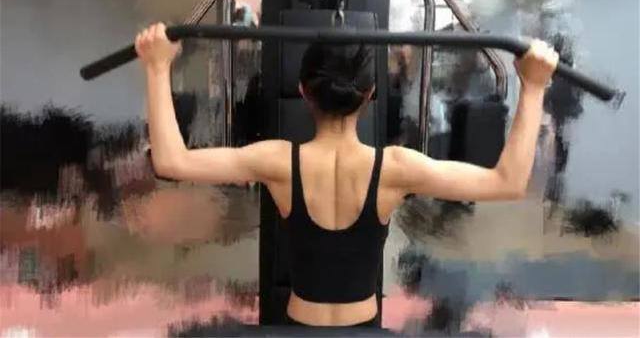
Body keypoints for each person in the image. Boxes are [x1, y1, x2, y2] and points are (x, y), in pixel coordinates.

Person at [134, 22, 559, 327]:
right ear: (370, 94)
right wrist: (534, 87)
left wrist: (157, 68)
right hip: (363, 327)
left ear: (303, 92)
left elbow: (172, 161)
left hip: (299, 325)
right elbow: (508, 182)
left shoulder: (277, 162)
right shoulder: (395, 167)